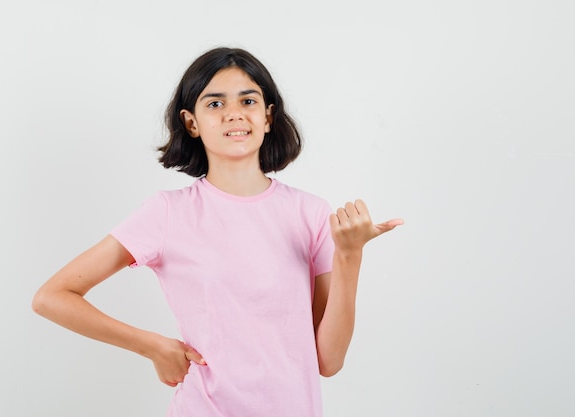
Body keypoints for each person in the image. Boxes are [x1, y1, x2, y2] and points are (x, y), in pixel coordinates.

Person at [32, 46, 403, 417]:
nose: (234, 114)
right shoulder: (167, 213)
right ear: (191, 122)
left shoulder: (310, 213)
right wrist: (153, 346)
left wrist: (350, 255)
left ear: (268, 116)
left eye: (248, 100)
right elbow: (52, 297)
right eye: (214, 104)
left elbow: (328, 360)